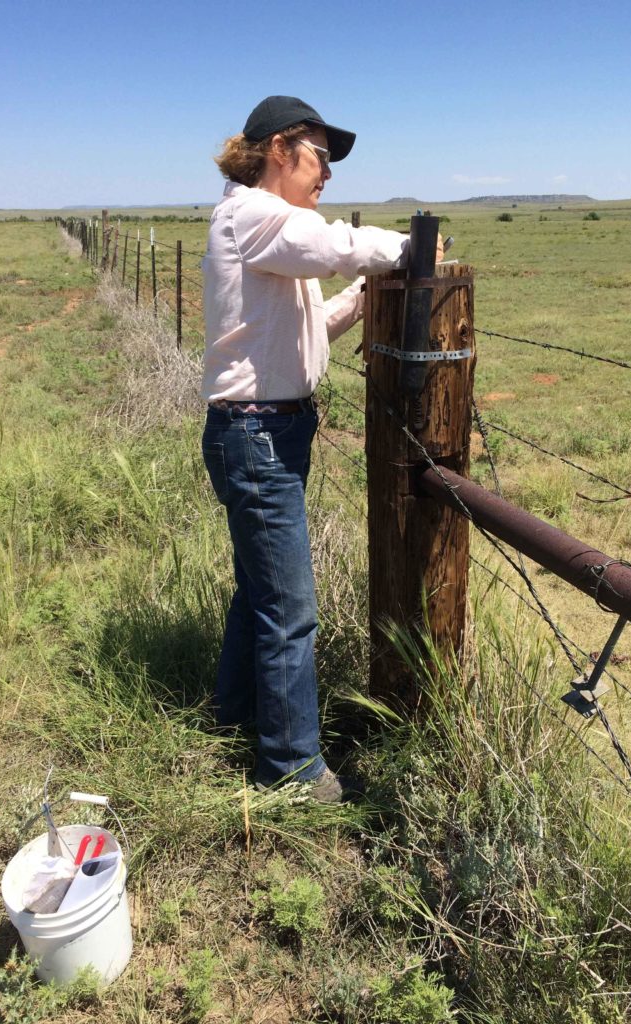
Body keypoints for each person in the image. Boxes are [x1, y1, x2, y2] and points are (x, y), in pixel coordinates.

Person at [201, 96, 416, 802]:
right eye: (320, 154)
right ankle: (291, 769)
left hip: (266, 433)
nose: (327, 171)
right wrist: (408, 249)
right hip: (258, 435)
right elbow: (332, 244)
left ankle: (233, 713)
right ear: (278, 151)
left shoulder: (262, 231)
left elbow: (305, 327)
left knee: (261, 594)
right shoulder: (255, 215)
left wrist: (359, 297)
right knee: (291, 609)